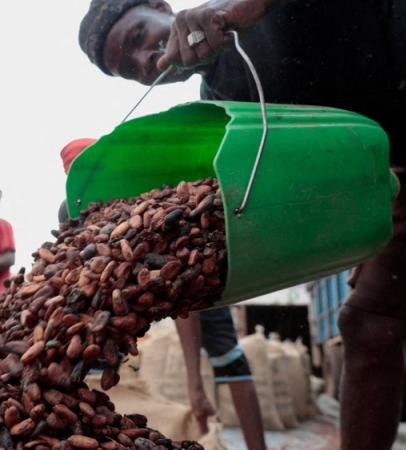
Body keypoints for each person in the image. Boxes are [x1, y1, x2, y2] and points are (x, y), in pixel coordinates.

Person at [78, 1, 406, 449]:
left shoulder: (244, 11)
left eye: (137, 38)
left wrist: (233, 12)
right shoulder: (223, 100)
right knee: (370, 321)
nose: (145, 61)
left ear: (160, 7)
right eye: (130, 69)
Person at [58, 136, 266, 448]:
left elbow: (182, 292)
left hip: (194, 266)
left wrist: (195, 385)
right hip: (131, 284)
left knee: (228, 358)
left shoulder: (134, 200)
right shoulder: (72, 212)